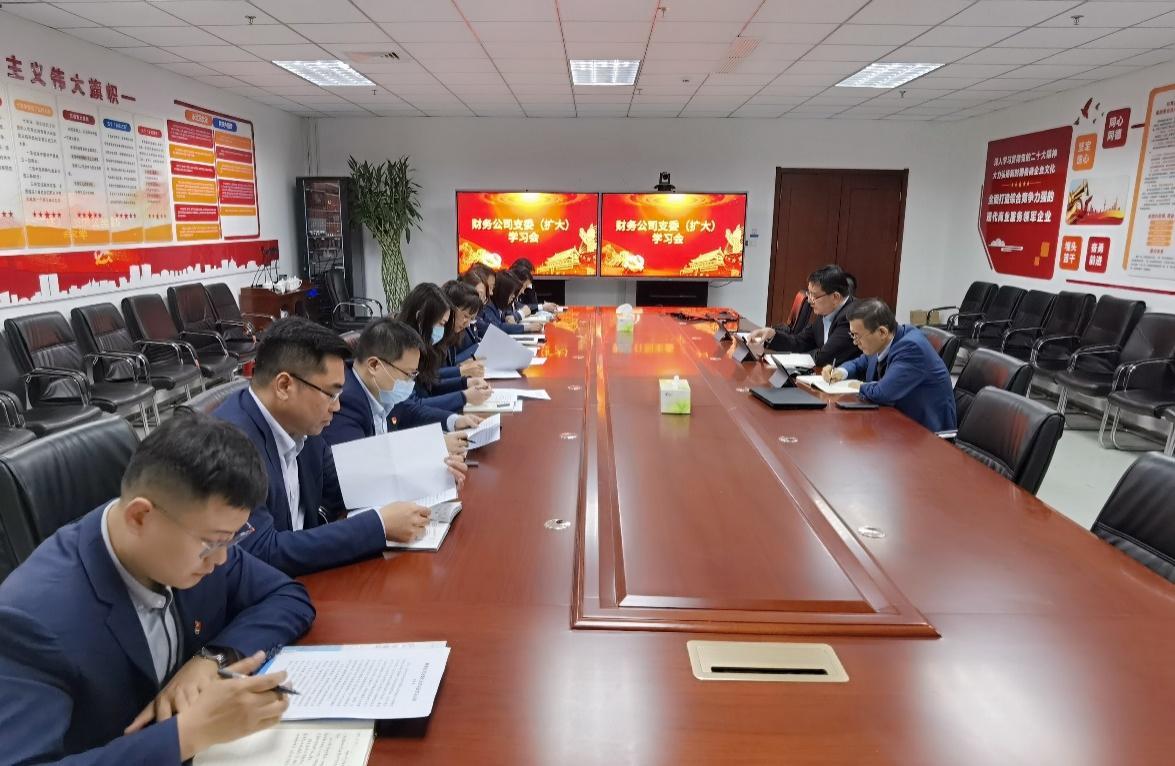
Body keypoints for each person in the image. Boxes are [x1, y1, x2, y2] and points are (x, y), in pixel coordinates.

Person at [0, 414, 315, 764]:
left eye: (233, 538)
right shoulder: (32, 619)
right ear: (139, 517)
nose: (223, 558)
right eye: (214, 542)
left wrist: (211, 659)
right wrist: (187, 734)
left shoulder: (192, 535)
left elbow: (288, 597)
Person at [213, 317, 465, 577]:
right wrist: (379, 526)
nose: (337, 406)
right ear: (285, 386)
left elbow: (345, 482)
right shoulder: (228, 445)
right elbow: (262, 552)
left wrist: (430, 472)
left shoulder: (301, 424)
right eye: (330, 394)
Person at [322, 317, 480, 455]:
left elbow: (409, 411)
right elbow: (363, 464)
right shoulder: (343, 402)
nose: (411, 382)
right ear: (374, 365)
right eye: (408, 374)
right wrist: (433, 447)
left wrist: (454, 421)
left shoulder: (379, 389)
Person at [823, 298, 957, 433]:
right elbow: (859, 363)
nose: (855, 342)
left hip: (926, 433)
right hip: (895, 421)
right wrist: (841, 371)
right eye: (852, 335)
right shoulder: (883, 341)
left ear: (882, 332)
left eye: (857, 336)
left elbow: (883, 393)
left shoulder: (911, 348)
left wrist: (860, 386)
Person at [398, 283, 493, 412]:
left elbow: (429, 382)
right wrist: (463, 397)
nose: (443, 329)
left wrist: (465, 383)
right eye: (442, 323)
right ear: (420, 318)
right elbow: (411, 408)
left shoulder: (423, 343)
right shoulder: (401, 350)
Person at [747, 265, 859, 368]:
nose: (809, 300)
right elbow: (800, 342)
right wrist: (772, 335)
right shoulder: (827, 309)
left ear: (835, 297)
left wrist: (794, 359)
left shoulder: (852, 317)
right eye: (809, 293)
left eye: (814, 296)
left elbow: (825, 357)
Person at [441, 280, 486, 373]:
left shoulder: (454, 333)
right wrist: (460, 370)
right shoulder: (436, 335)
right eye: (465, 316)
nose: (467, 323)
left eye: (471, 318)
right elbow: (432, 377)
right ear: (451, 309)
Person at [481, 270, 540, 335]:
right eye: (512, 293)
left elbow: (509, 315)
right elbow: (497, 327)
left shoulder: (501, 305)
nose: (514, 296)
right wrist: (527, 327)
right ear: (503, 292)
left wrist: (510, 316)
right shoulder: (488, 306)